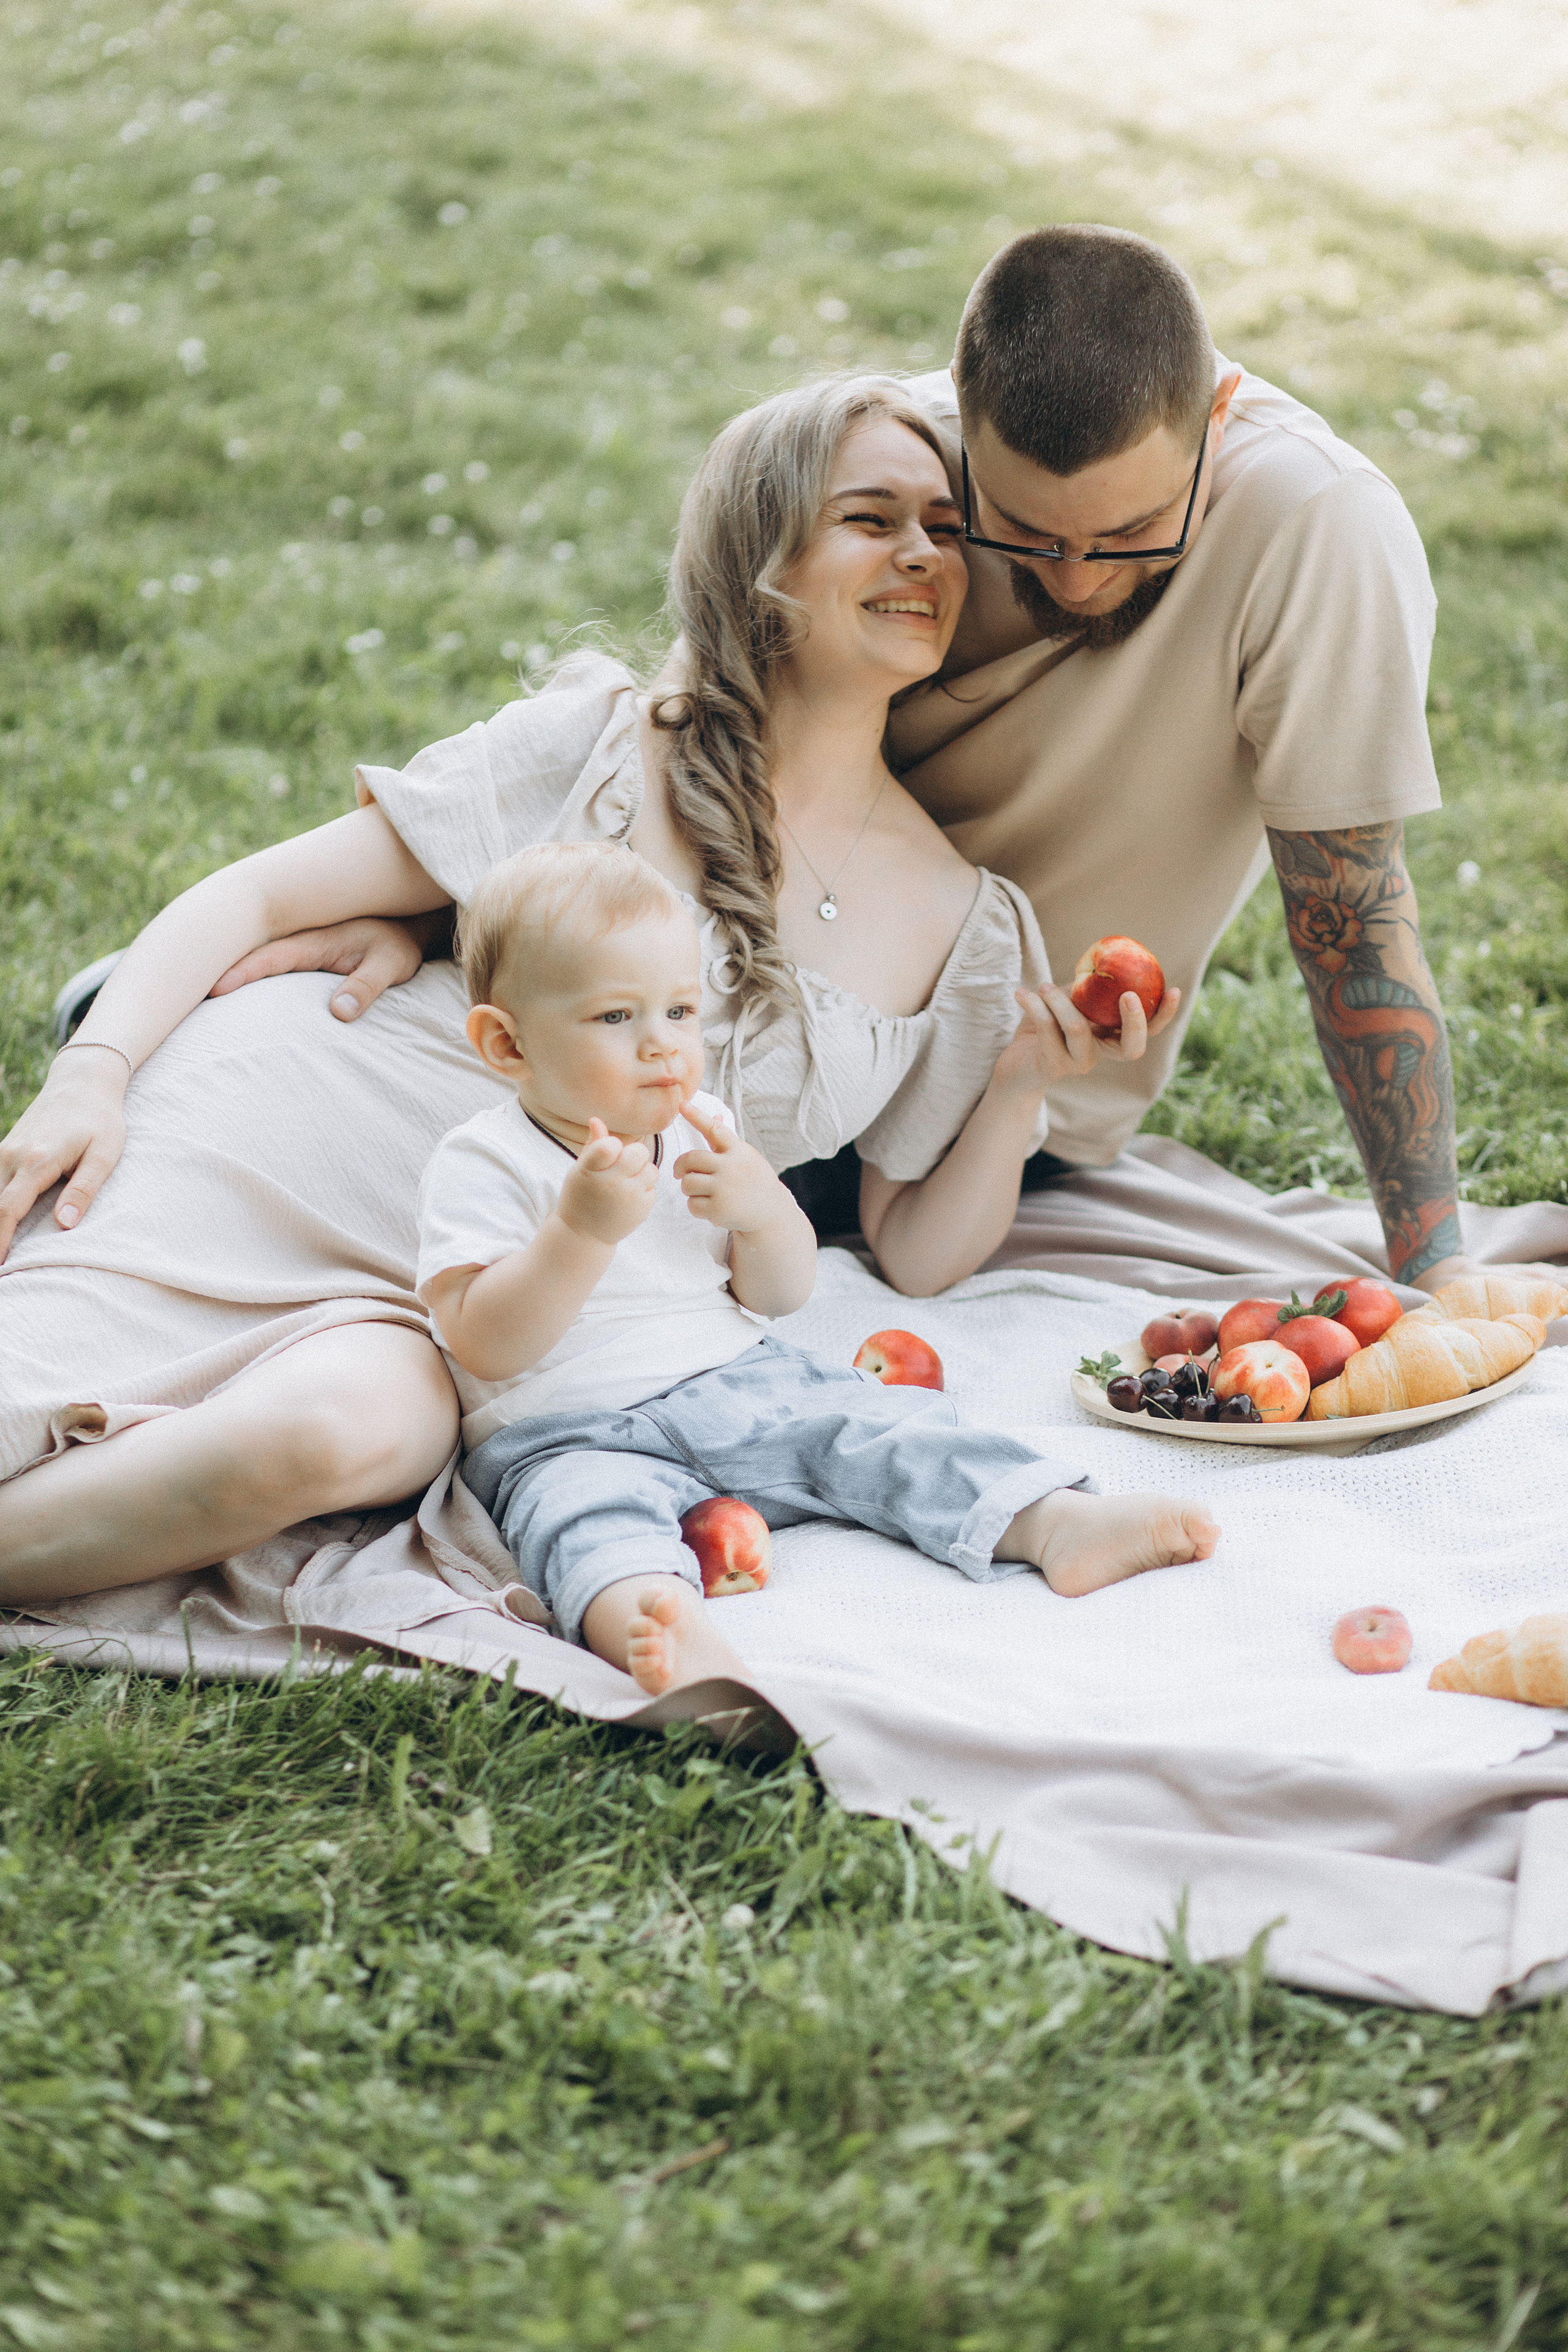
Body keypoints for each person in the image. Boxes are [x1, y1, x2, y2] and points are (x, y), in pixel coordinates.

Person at [0, 375, 1174, 1620]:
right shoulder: (606, 747)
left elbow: (917, 1251)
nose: (920, 553)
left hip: (482, 1313)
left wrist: (1015, 1095)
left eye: (943, 525)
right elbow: (251, 900)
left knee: (359, 1443)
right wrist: (97, 1071)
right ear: (759, 546)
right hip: (288, 1146)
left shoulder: (966, 920)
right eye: (868, 517)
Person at [873, 222, 1567, 1298]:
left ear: (1218, 418)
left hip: (1012, 1105)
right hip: (780, 1029)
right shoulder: (875, 468)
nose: (1077, 582)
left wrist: (1435, 1265)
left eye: (1133, 532)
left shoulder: (1318, 526)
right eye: (1024, 532)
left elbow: (1354, 916)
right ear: (956, 418)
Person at [418, 840, 1218, 1695]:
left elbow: (780, 1294)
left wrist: (762, 1212)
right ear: (507, 1045)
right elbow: (484, 1345)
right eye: (617, 1018)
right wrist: (578, 1234)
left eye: (681, 1012)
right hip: (565, 1428)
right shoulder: (483, 1162)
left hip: (731, 1380)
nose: (662, 1047)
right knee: (582, 1520)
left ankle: (1055, 1524)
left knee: (875, 1427)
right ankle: (653, 1620)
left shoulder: (702, 1128)